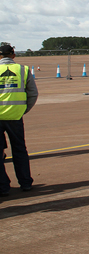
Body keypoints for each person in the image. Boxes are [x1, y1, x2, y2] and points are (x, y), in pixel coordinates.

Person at [0, 44, 38, 196]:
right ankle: (25, 182)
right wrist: (23, 109)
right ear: (13, 55)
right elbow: (33, 93)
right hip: (16, 116)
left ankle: (3, 187)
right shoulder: (23, 70)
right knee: (19, 150)